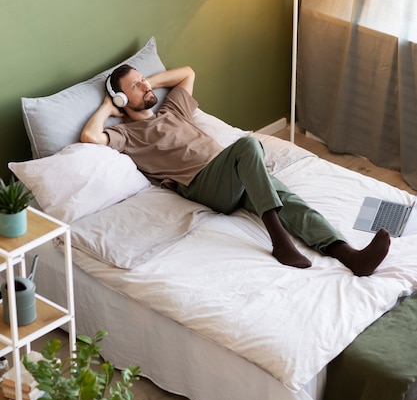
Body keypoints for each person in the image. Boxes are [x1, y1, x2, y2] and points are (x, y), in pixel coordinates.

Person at [80, 64, 390, 275]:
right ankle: (279, 241)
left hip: (233, 174)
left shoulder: (172, 109)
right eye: (135, 85)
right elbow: (91, 136)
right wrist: (109, 107)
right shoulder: (128, 135)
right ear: (122, 99)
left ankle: (350, 256)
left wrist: (149, 82)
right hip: (202, 184)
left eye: (143, 79)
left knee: (291, 201)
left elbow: (187, 72)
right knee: (247, 145)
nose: (145, 85)